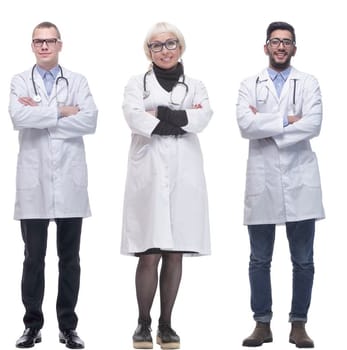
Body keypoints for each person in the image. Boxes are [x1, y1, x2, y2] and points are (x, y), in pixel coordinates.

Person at [120, 22, 212, 350]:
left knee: (175, 253)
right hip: (148, 177)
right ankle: (143, 322)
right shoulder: (136, 84)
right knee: (149, 252)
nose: (164, 50)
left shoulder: (196, 85)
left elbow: (202, 119)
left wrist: (158, 113)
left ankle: (167, 324)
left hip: (185, 175)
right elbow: (134, 118)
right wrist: (179, 119)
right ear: (149, 51)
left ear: (181, 47)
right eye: (156, 45)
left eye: (170, 43)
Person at [9, 21, 97, 350]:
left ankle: (68, 326)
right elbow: (18, 117)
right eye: (38, 41)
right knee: (33, 257)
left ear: (60, 44)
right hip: (33, 183)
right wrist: (62, 111)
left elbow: (89, 120)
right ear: (32, 45)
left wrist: (43, 116)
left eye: (49, 41)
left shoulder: (77, 80)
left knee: (69, 258)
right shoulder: (20, 81)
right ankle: (32, 326)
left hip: (70, 182)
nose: (44, 46)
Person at [236, 21, 323, 349]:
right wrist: (288, 119)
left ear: (294, 48)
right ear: (266, 47)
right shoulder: (249, 84)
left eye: (287, 42)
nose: (281, 47)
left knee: (303, 260)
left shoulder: (309, 82)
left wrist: (266, 122)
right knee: (259, 259)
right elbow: (245, 125)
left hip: (301, 180)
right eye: (276, 41)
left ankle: (298, 324)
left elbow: (313, 125)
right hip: (263, 180)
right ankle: (262, 324)